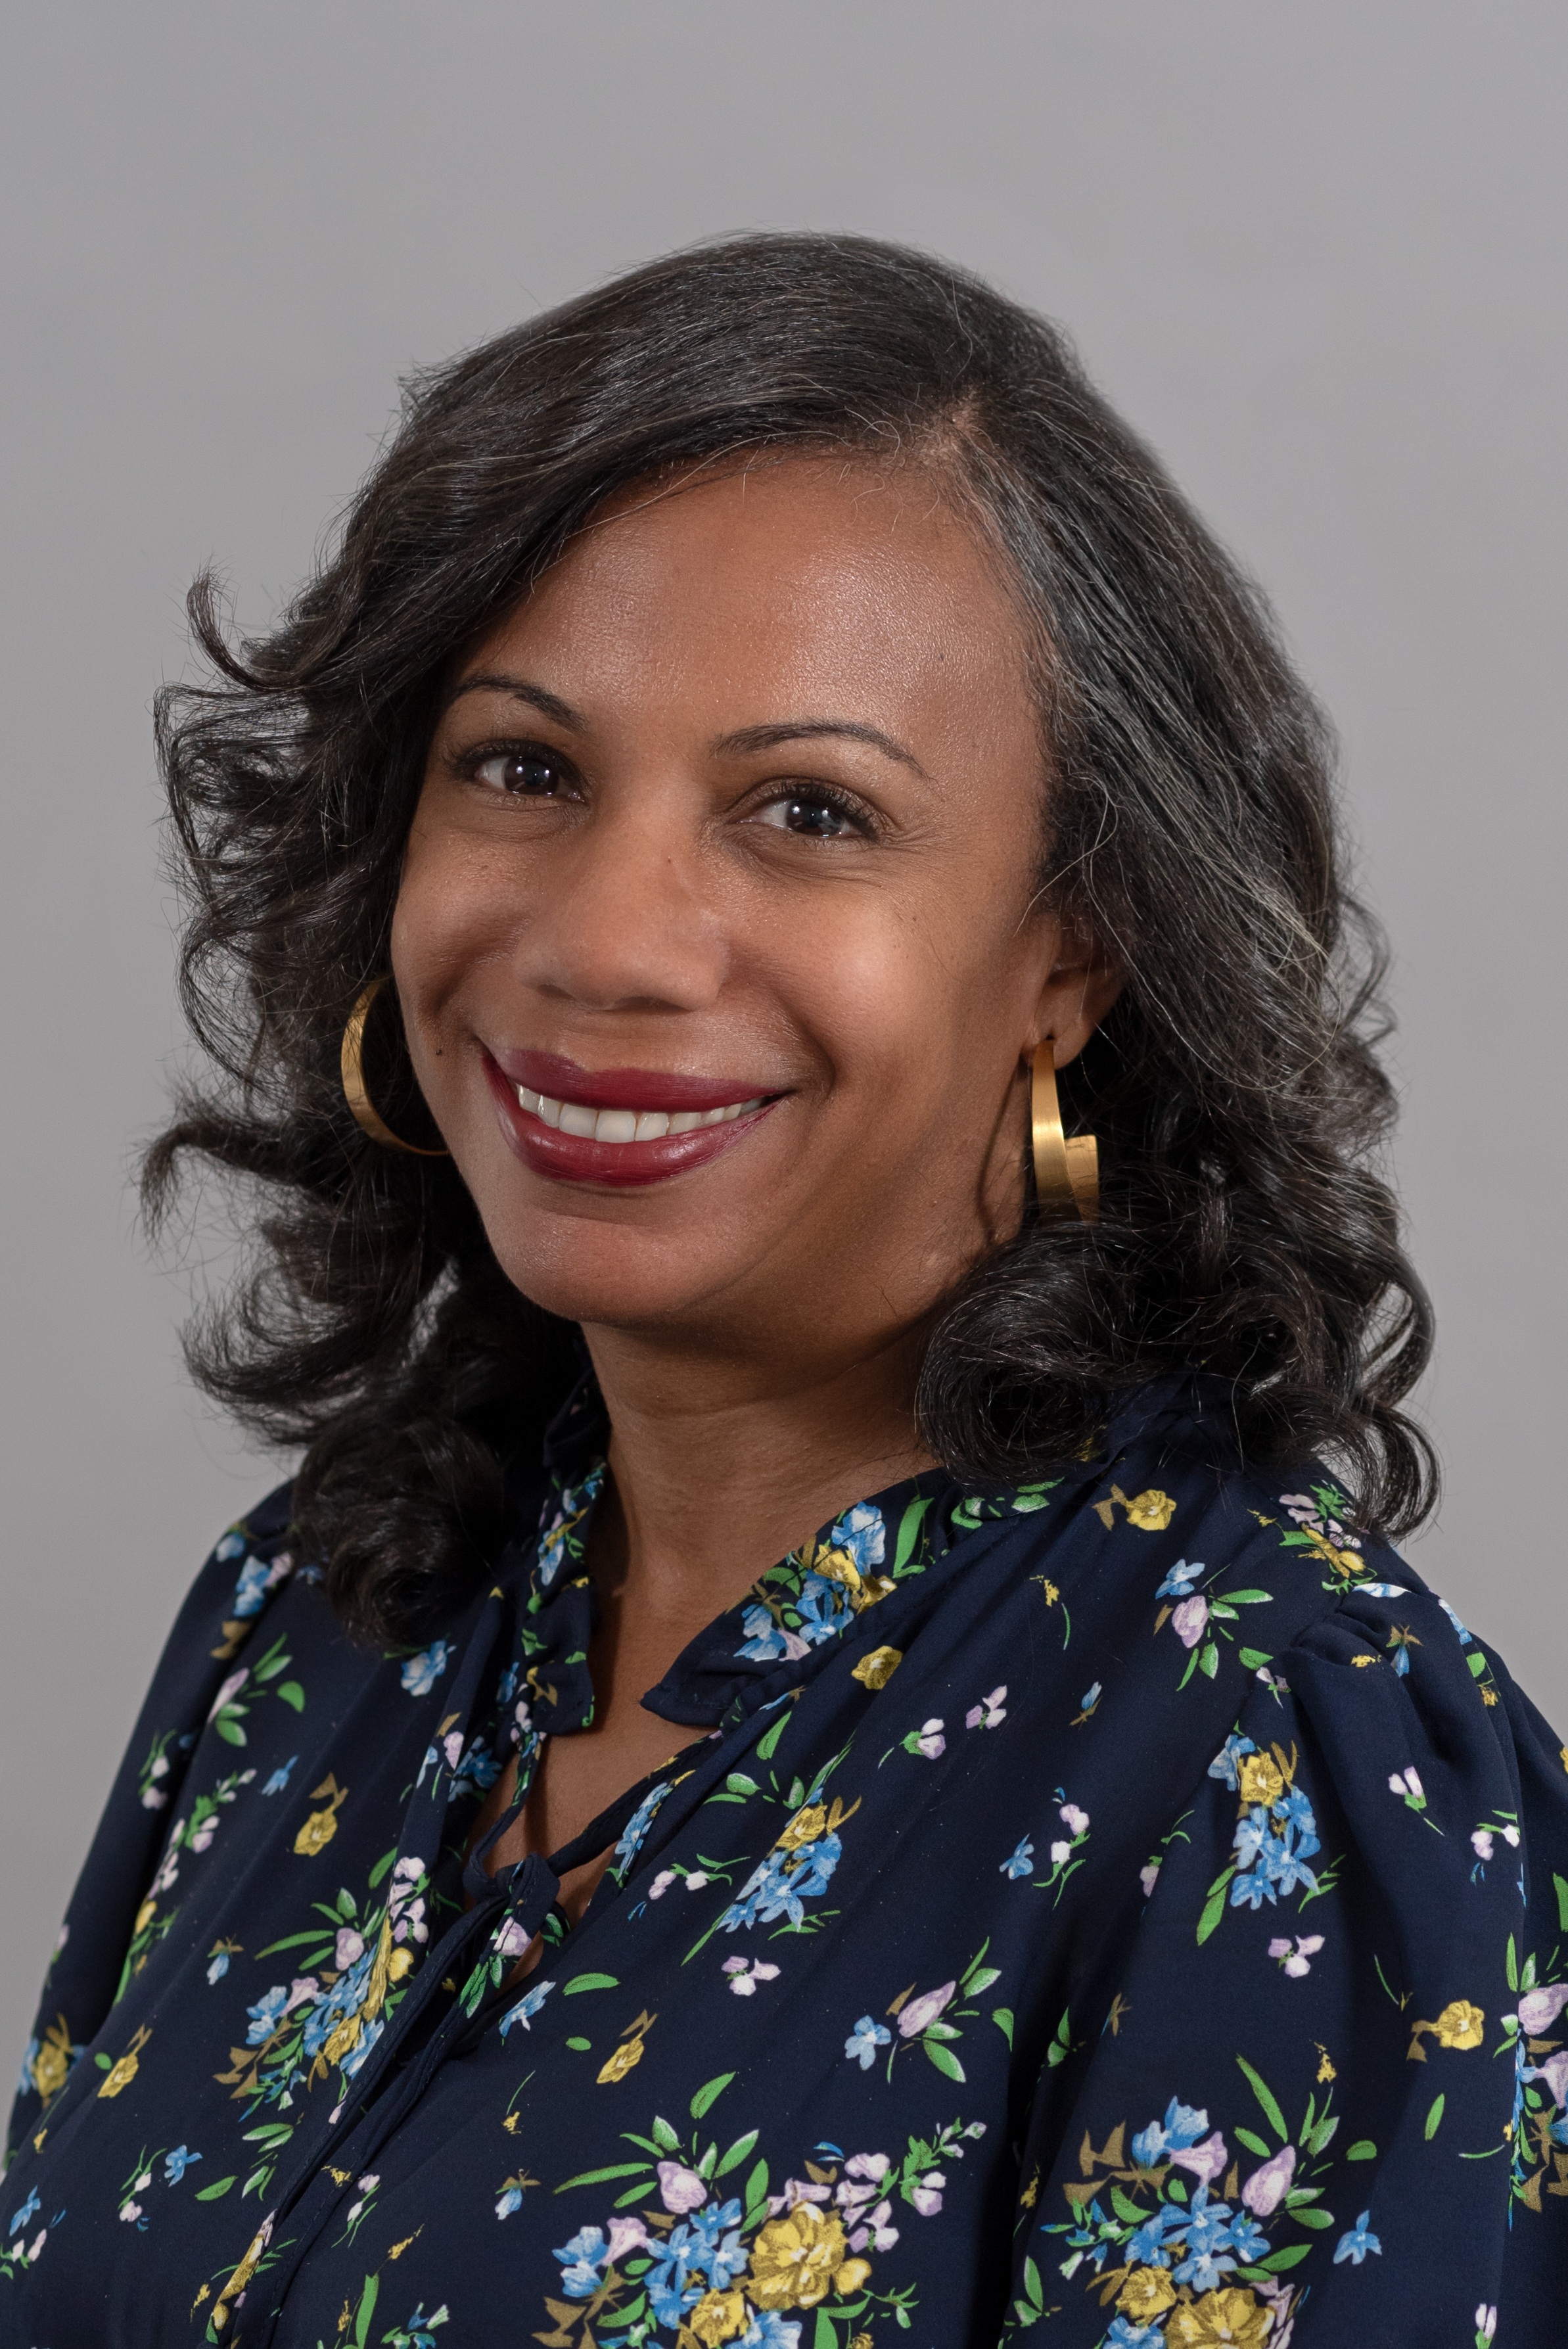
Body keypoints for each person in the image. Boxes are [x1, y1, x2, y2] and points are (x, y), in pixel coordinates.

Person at [5, 234, 1561, 2349]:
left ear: (1068, 955)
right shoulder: (323, 1614)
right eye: (524, 767)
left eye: (808, 811)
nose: (609, 940)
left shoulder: (1265, 1757)